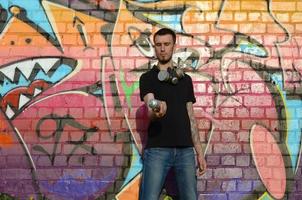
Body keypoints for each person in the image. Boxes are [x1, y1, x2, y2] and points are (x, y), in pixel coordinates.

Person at [139, 28, 207, 200]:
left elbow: (191, 117)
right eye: (159, 45)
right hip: (157, 150)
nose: (162, 49)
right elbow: (149, 104)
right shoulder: (147, 78)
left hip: (185, 152)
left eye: (167, 44)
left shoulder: (185, 80)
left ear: (174, 46)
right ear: (155, 47)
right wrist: (157, 109)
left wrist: (199, 151)